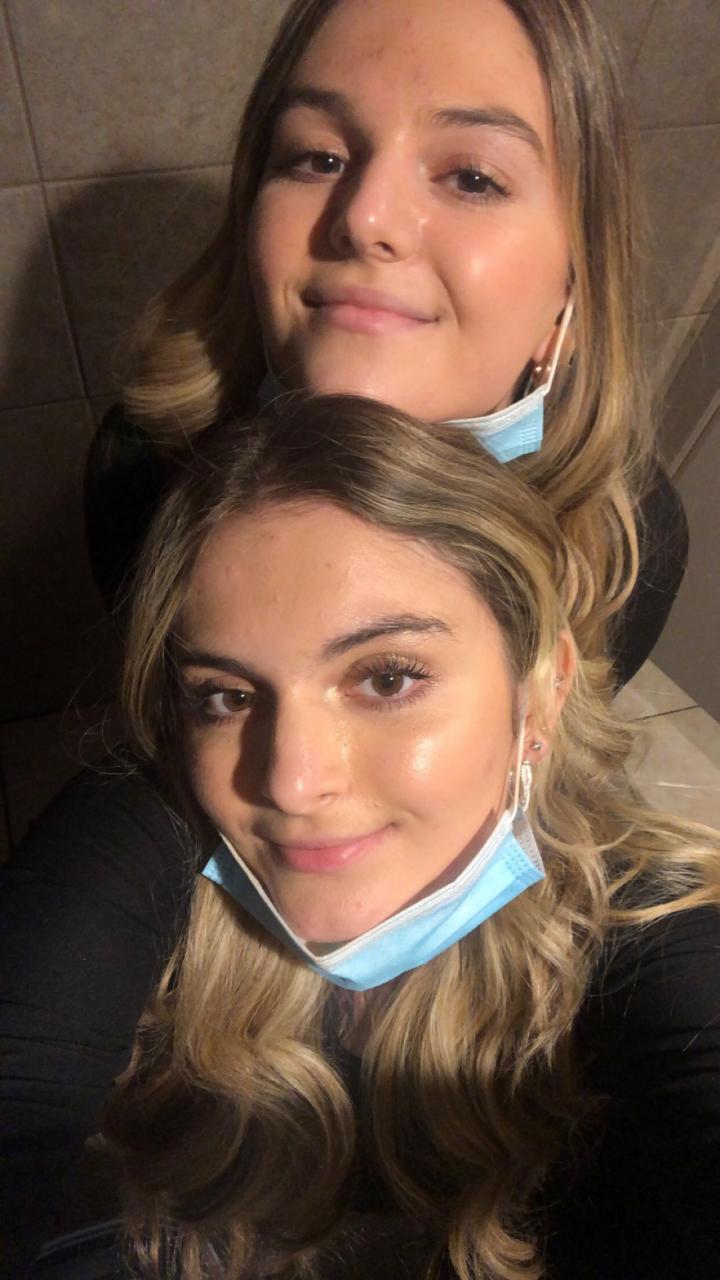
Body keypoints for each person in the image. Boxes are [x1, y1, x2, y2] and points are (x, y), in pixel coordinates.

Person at [87, 398, 720, 1278]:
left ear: (541, 695)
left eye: (387, 679)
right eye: (226, 697)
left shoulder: (651, 947)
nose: (290, 782)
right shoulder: (151, 922)